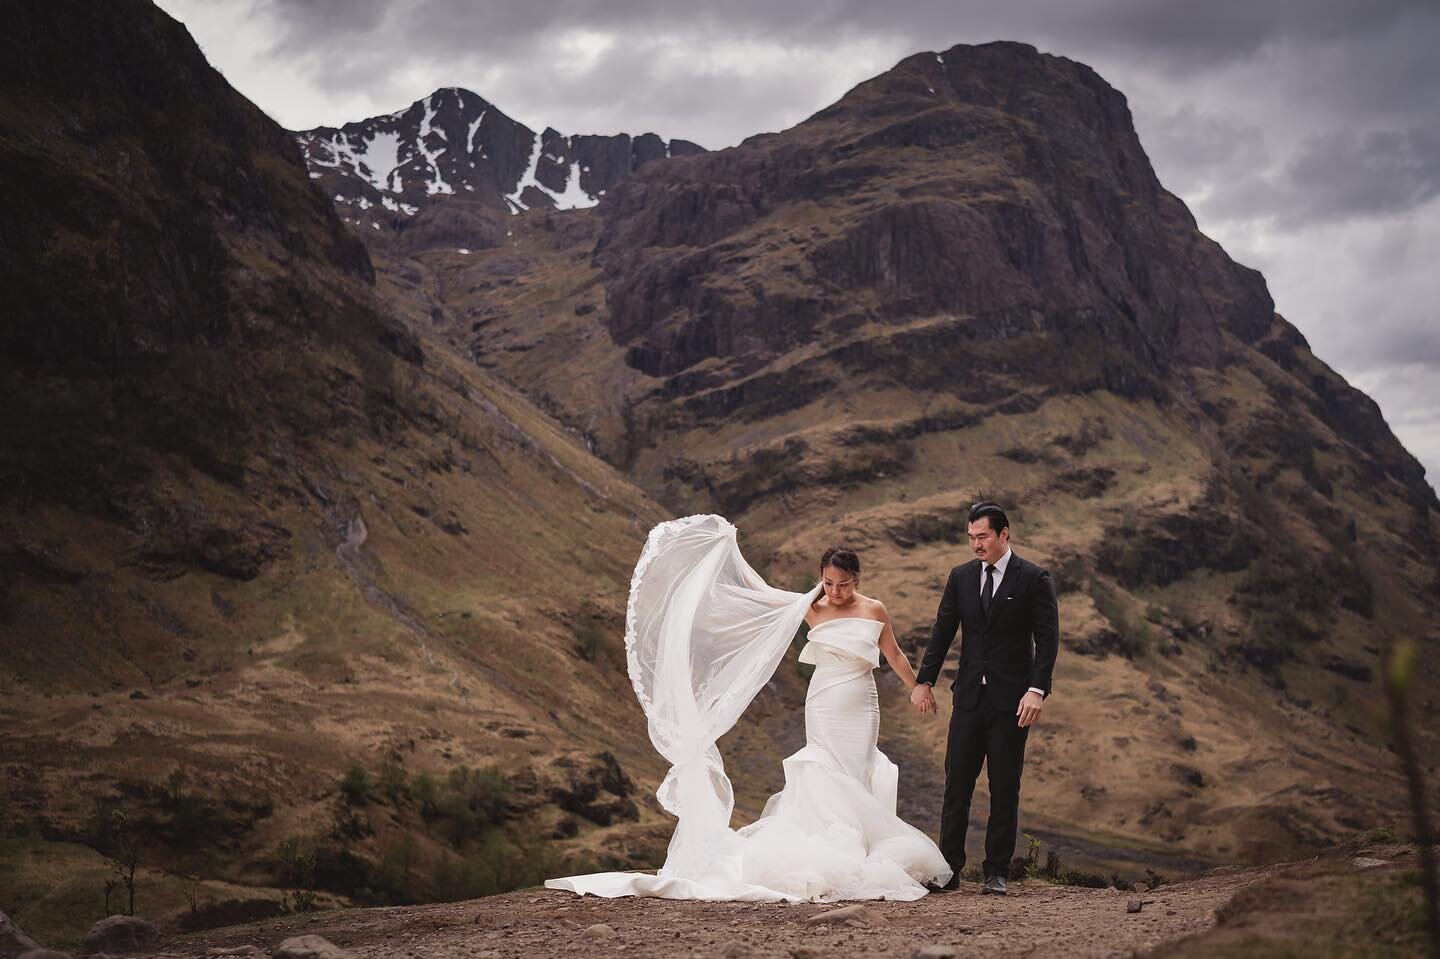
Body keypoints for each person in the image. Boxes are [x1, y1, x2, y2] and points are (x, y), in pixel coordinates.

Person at [547, 515, 950, 901]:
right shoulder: (811, 606)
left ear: (856, 580)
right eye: (828, 583)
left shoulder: (874, 608)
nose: (835, 592)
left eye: (843, 585)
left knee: (857, 768)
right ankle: (833, 846)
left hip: (861, 703)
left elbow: (893, 653)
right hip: (823, 701)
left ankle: (862, 846)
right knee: (822, 767)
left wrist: (918, 687)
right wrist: (729, 547)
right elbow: (759, 595)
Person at [910, 501, 1059, 895]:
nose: (976, 545)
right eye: (971, 538)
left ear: (1003, 534)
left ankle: (997, 872)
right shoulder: (960, 578)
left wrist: (1036, 689)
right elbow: (943, 632)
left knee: (1004, 787)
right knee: (956, 784)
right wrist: (924, 681)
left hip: (1013, 703)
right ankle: (949, 871)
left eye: (983, 537)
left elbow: (1047, 640)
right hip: (970, 699)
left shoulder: (1033, 578)